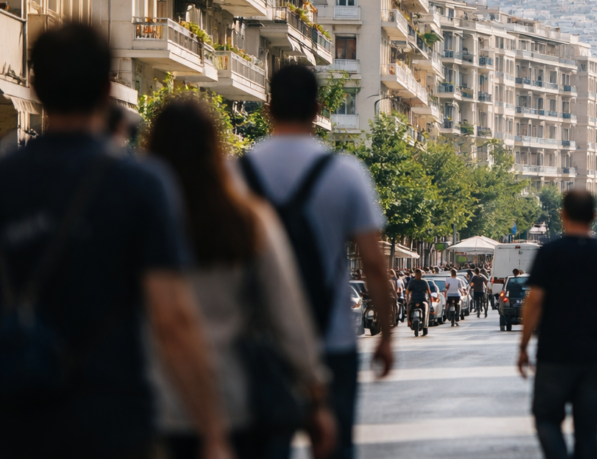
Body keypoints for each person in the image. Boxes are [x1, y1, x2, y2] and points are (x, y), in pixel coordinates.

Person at [0, 23, 231, 459]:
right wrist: (213, 433)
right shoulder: (140, 186)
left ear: (35, 87)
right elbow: (173, 319)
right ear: (108, 89)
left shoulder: (5, 181)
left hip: (18, 417)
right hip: (113, 416)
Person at [145, 95, 336, 459]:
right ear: (215, 149)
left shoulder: (136, 221)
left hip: (151, 405)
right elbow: (287, 314)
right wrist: (315, 394)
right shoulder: (247, 220)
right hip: (236, 402)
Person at [240, 65, 394, 459]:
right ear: (318, 109)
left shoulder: (235, 175)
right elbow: (374, 264)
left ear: (267, 109)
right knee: (336, 448)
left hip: (259, 344)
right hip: (333, 340)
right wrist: (387, 336)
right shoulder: (346, 174)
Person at [517, 190, 597, 459]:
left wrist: (522, 346)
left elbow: (534, 302)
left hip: (553, 353)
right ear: (594, 216)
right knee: (588, 428)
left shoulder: (549, 253)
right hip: (594, 355)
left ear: (562, 215)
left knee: (545, 419)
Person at [405, 270, 430, 334]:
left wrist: (407, 297)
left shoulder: (412, 282)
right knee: (426, 311)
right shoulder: (424, 282)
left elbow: (407, 291)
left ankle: (409, 321)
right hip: (422, 300)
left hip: (414, 299)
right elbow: (428, 291)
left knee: (409, 309)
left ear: (415, 274)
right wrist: (429, 298)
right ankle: (425, 324)